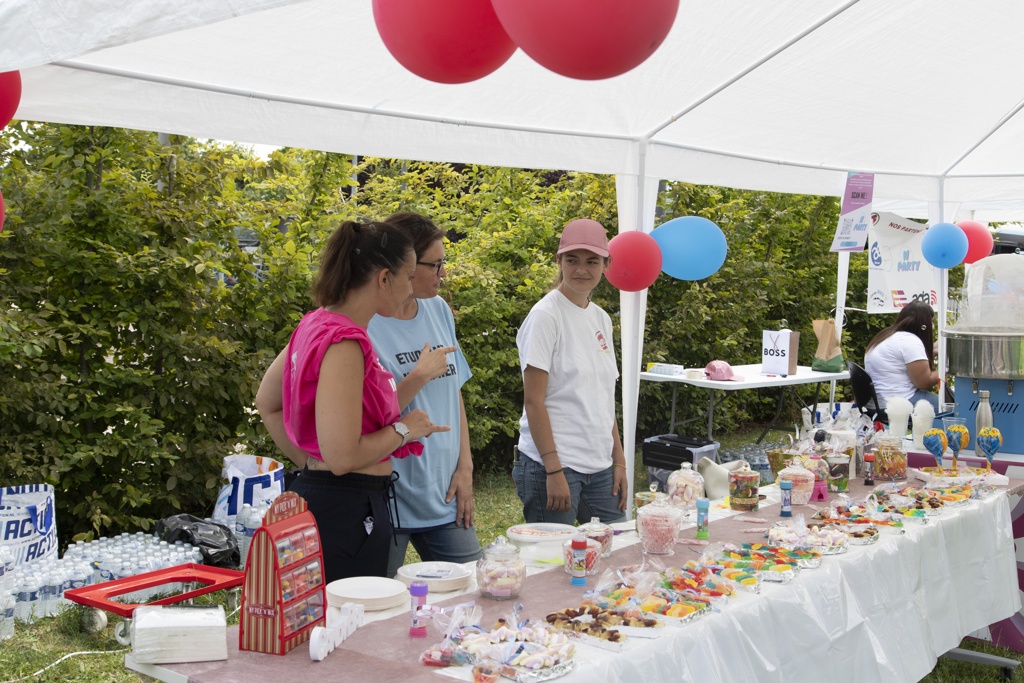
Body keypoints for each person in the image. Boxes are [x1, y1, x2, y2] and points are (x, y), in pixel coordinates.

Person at [255, 220, 449, 583]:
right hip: (347, 515)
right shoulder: (346, 343)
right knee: (352, 630)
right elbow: (343, 458)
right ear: (384, 278)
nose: (411, 289)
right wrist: (407, 429)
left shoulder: (315, 323)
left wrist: (312, 466)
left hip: (333, 501)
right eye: (408, 277)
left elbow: (268, 403)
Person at [367, 212, 482, 578]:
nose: (443, 273)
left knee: (474, 592)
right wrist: (416, 376)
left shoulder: (438, 310)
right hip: (388, 500)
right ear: (406, 266)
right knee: (378, 610)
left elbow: (454, 394)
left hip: (446, 494)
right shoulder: (363, 324)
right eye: (436, 265)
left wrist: (465, 468)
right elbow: (364, 419)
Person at [512, 218, 628, 526]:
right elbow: (534, 401)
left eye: (592, 261)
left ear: (606, 264)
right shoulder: (545, 317)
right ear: (559, 260)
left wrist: (619, 460)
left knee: (616, 553)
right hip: (552, 466)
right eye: (572, 259)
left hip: (600, 469)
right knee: (551, 565)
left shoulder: (601, 318)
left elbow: (604, 398)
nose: (581, 269)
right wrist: (553, 469)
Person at [864, 300, 940, 411]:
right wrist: (946, 369)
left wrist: (933, 350)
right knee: (951, 407)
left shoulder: (886, 335)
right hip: (899, 403)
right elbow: (924, 382)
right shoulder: (910, 341)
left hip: (878, 402)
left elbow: (905, 358)